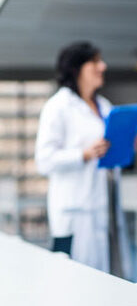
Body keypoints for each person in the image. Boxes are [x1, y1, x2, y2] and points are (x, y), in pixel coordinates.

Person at [36, 41, 118, 272]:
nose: (103, 66)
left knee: (105, 278)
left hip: (103, 206)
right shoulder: (58, 107)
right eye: (95, 62)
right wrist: (83, 154)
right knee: (74, 277)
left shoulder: (104, 106)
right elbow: (44, 160)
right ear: (76, 69)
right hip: (74, 210)